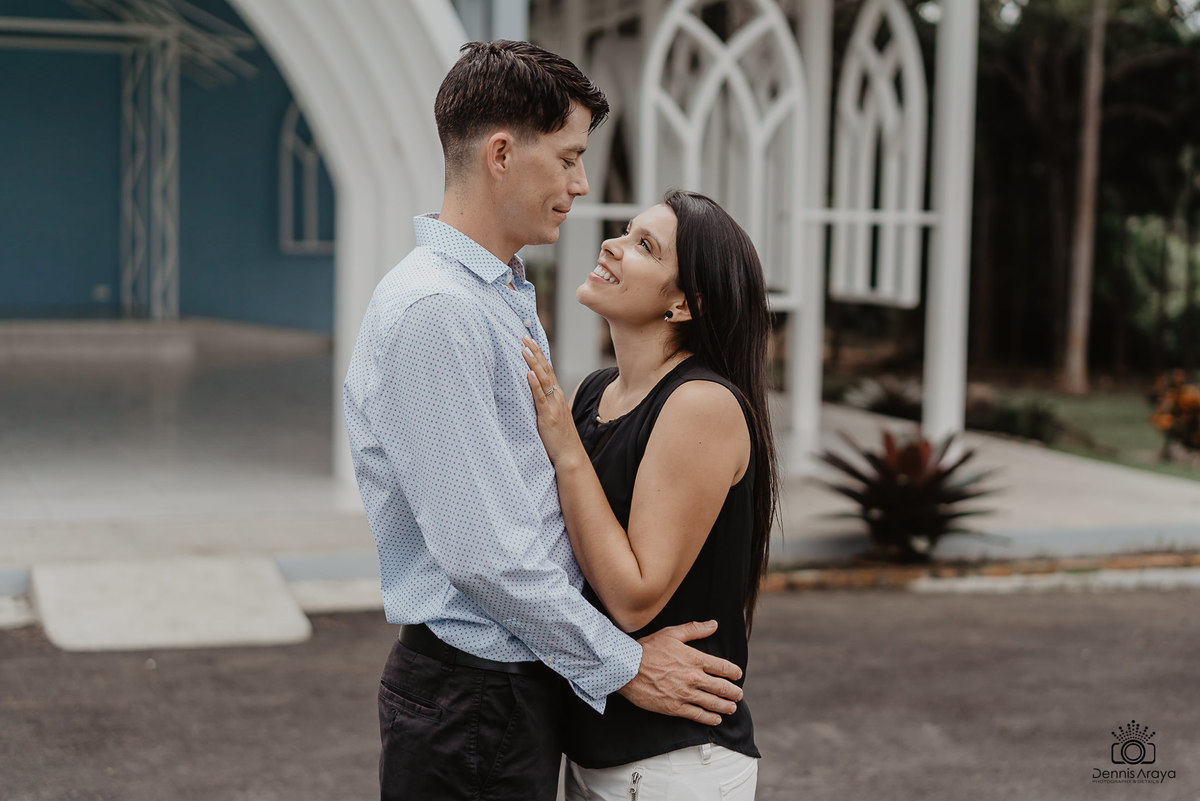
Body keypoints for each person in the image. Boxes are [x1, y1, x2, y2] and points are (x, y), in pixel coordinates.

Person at [342, 42, 744, 801]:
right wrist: (626, 663)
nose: (580, 185)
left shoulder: (497, 294)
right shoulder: (439, 311)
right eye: (567, 158)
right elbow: (484, 553)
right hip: (474, 697)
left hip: (506, 689)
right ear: (501, 153)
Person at [521, 189, 779, 800]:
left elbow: (634, 597)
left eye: (645, 246)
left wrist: (564, 447)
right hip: (597, 748)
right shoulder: (594, 393)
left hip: (672, 763)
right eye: (626, 230)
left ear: (684, 303)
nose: (612, 243)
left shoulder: (699, 404)